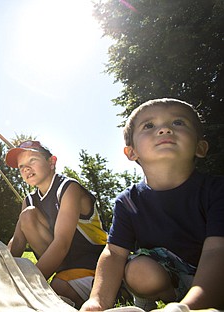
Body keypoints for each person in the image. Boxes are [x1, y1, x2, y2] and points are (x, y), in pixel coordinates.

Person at [80, 98, 224, 311]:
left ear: (200, 147)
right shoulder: (128, 201)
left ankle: (190, 305)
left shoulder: (216, 190)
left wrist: (188, 308)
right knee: (138, 269)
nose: (165, 129)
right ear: (131, 152)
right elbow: (114, 253)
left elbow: (216, 251)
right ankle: (153, 303)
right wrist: (97, 301)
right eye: (149, 126)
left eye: (178, 123)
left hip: (213, 273)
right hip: (169, 275)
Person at [5, 140, 107, 308]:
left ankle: (114, 288)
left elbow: (62, 244)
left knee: (57, 288)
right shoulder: (30, 200)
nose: (26, 168)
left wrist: (29, 284)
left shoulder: (69, 188)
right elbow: (16, 244)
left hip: (92, 262)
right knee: (28, 215)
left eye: (32, 161)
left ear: (52, 162)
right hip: (64, 267)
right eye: (21, 166)